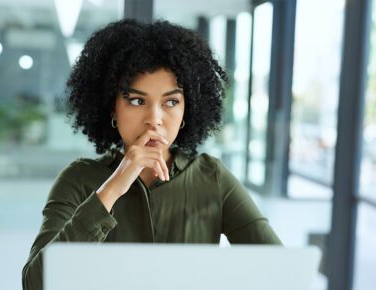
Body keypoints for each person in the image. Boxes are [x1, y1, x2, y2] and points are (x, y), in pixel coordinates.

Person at [22, 19, 281, 290]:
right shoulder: (78, 178)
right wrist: (111, 189)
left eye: (171, 102)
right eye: (137, 101)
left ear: (186, 111)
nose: (154, 119)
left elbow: (278, 270)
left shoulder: (212, 178)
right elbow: (36, 283)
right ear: (112, 108)